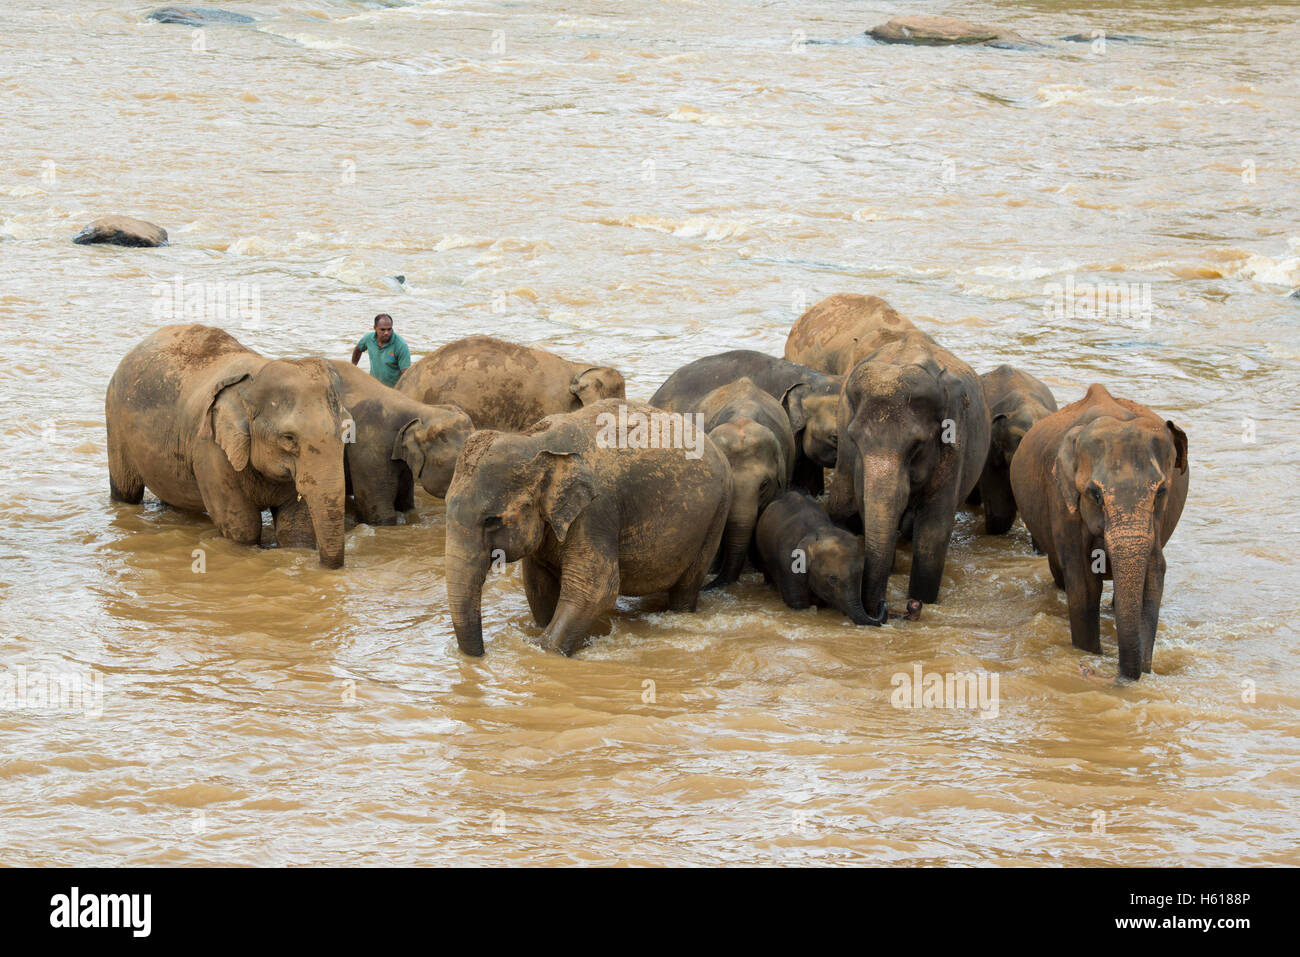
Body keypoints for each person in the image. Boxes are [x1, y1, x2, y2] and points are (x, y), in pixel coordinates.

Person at [351, 314, 411, 387]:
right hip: (374, 386)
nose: (386, 333)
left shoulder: (401, 345)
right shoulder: (368, 339)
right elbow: (358, 349)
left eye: (389, 329)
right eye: (382, 329)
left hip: (393, 390)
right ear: (375, 328)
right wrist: (353, 368)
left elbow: (406, 374)